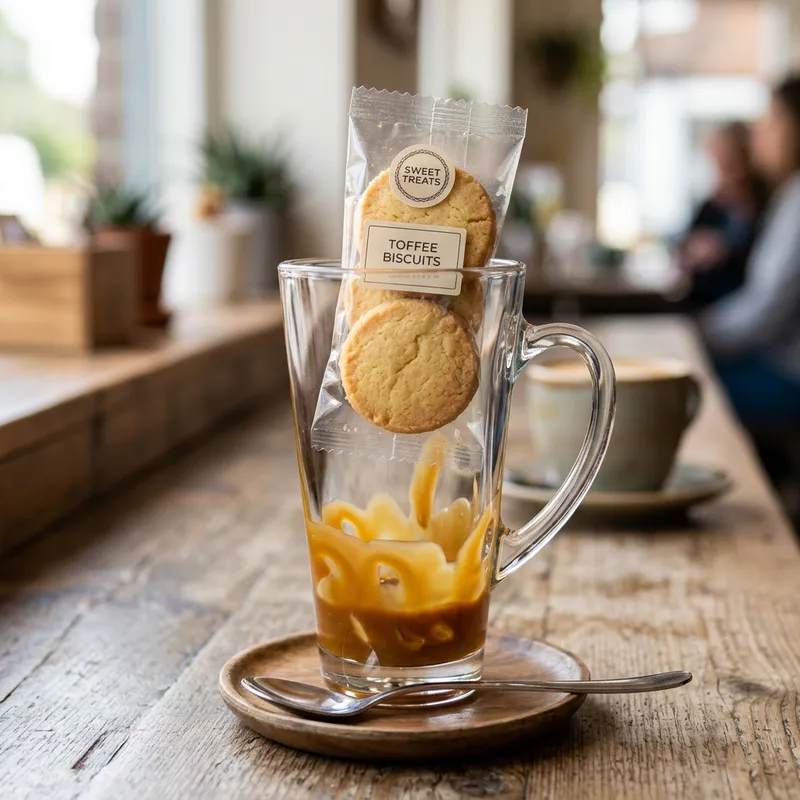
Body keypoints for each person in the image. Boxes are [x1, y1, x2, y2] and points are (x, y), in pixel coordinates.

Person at [700, 75, 800, 424]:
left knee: (690, 396)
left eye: (771, 121)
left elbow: (765, 312)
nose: (758, 132)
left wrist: (698, 331)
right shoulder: (787, 196)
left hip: (787, 373)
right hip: (775, 360)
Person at [677, 122, 768, 310]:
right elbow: (682, 247)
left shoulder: (764, 206)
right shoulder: (712, 204)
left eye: (728, 162)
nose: (721, 171)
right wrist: (693, 249)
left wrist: (723, 250)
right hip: (703, 306)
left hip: (739, 309)